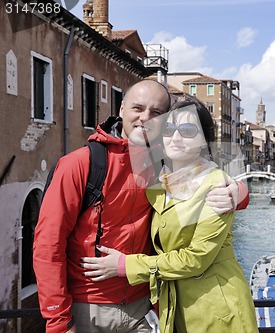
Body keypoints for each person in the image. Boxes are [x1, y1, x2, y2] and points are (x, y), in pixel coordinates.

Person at [33, 80, 249, 333]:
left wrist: (239, 194)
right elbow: (48, 244)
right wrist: (57, 321)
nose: (145, 118)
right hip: (88, 309)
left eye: (156, 113)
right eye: (138, 108)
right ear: (122, 108)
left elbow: (205, 179)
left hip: (144, 310)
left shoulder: (160, 163)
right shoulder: (80, 164)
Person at [81, 98, 259, 333]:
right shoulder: (159, 183)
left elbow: (196, 259)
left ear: (204, 140)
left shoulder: (215, 185)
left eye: (187, 130)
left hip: (217, 311)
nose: (175, 137)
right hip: (173, 309)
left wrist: (125, 265)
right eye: (168, 129)